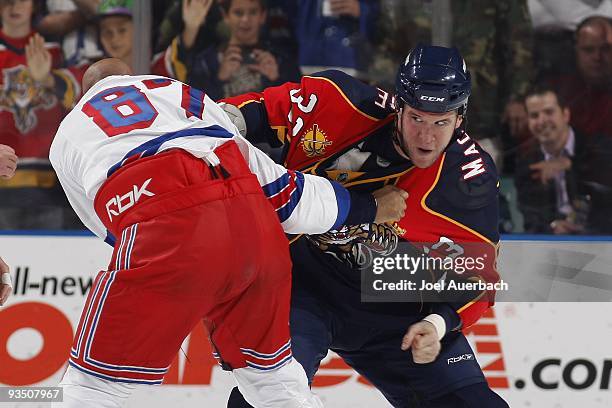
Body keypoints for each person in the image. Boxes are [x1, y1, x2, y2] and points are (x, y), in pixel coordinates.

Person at [49, 58, 406, 408]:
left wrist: (185, 264)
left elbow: (108, 226)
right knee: (275, 384)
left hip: (161, 221)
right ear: (136, 76)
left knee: (90, 388)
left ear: (82, 94)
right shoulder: (177, 92)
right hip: (252, 224)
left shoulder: (67, 133)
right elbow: (285, 197)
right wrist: (369, 208)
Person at [223, 44, 507, 407]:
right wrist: (212, 125)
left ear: (460, 119)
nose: (427, 137)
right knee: (273, 394)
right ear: (399, 107)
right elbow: (253, 113)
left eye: (441, 122)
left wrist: (437, 323)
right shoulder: (340, 103)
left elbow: (480, 279)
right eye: (417, 118)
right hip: (302, 285)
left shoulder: (469, 180)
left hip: (398, 307)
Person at [515, 84, 612, 234]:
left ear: (565, 115)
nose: (542, 121)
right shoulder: (527, 165)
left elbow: (605, 190)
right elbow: (531, 220)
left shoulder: (598, 147)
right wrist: (553, 227)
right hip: (552, 245)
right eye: (534, 116)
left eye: (549, 112)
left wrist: (569, 164)